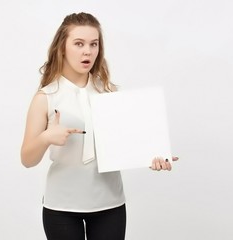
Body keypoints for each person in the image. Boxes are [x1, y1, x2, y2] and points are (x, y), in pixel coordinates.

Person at [20, 12, 179, 240]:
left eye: (93, 44)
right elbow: (27, 159)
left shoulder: (109, 94)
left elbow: (129, 143)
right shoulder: (46, 97)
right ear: (62, 48)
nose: (88, 51)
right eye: (79, 44)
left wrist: (154, 155)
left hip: (110, 204)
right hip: (62, 207)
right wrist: (46, 137)